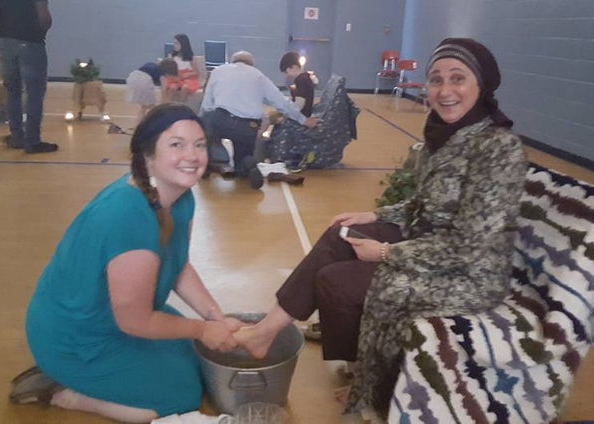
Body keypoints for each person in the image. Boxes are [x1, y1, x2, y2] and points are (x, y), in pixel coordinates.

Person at [233, 38, 527, 417]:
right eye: (436, 79)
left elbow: (471, 247)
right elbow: (425, 204)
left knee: (341, 281)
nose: (445, 90)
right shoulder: (444, 135)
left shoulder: (499, 148)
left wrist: (386, 252)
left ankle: (375, 387)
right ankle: (267, 331)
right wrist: (374, 216)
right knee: (340, 233)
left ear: (481, 85)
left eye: (458, 78)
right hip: (427, 242)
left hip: (469, 274)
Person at [9, 104, 244, 423]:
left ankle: (98, 378)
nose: (192, 155)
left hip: (117, 315)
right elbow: (134, 322)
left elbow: (179, 266)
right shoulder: (128, 215)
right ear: (148, 155)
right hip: (79, 334)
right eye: (176, 144)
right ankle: (69, 394)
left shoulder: (180, 196)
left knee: (192, 358)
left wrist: (216, 317)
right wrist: (203, 329)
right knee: (180, 398)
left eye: (199, 144)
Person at [200, 51, 318, 190]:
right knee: (242, 163)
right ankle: (247, 165)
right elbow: (281, 103)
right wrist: (303, 120)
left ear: (233, 61)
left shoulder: (218, 71)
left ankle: (211, 163)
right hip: (248, 127)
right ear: (251, 65)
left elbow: (207, 105)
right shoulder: (259, 77)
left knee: (206, 122)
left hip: (222, 120)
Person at [0, 0, 58, 153]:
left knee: (12, 91)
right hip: (30, 42)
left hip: (4, 42)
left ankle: (16, 136)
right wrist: (39, 31)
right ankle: (32, 141)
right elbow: (44, 18)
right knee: (34, 94)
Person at [125, 60, 178, 126]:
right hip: (144, 81)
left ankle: (138, 125)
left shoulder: (151, 65)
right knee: (150, 107)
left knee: (145, 107)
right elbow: (163, 91)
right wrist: (164, 104)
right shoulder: (162, 75)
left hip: (132, 77)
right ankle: (154, 124)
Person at [163, 34, 200, 103]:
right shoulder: (172, 57)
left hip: (188, 79)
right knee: (172, 88)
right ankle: (167, 106)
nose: (174, 45)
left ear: (183, 44)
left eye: (177, 43)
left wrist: (186, 75)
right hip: (175, 78)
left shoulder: (191, 58)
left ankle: (180, 106)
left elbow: (196, 73)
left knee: (185, 87)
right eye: (174, 43)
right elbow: (167, 71)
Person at [279, 51, 314, 117]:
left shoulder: (301, 80)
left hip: (303, 116)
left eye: (286, 72)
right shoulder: (305, 78)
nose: (287, 75)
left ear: (293, 66)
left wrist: (285, 113)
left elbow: (299, 105)